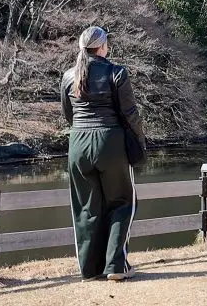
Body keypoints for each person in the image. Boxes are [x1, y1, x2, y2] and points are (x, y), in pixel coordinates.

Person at [60, 26, 146, 282]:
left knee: (86, 206)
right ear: (103, 47)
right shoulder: (117, 73)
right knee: (122, 202)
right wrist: (139, 141)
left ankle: (89, 269)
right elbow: (130, 114)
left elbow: (68, 114)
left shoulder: (68, 76)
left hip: (78, 143)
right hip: (110, 142)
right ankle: (116, 266)